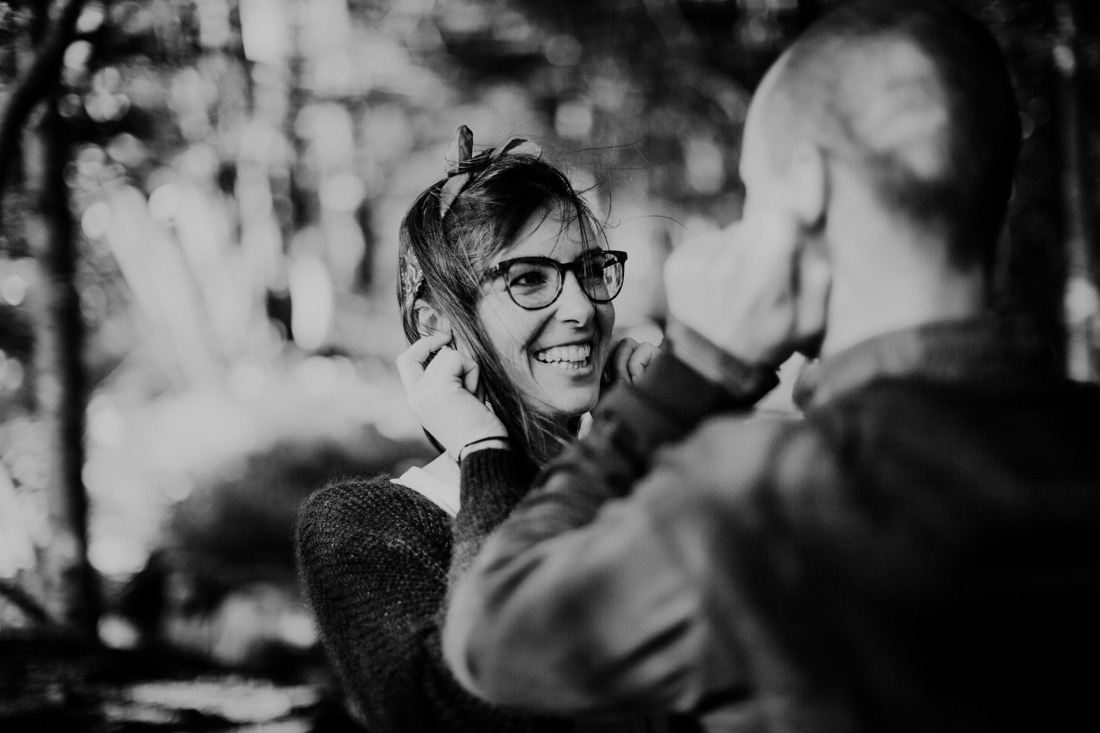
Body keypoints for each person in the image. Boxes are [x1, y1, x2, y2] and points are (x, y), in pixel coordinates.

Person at [441, 1, 1100, 731]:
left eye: (755, 193)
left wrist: (684, 381)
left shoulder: (755, 500)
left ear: (806, 184)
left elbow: (495, 634)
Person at [294, 127, 672, 732]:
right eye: (528, 278)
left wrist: (661, 446)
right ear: (437, 324)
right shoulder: (362, 528)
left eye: (591, 270)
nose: (581, 309)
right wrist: (483, 452)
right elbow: (469, 714)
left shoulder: (643, 478)